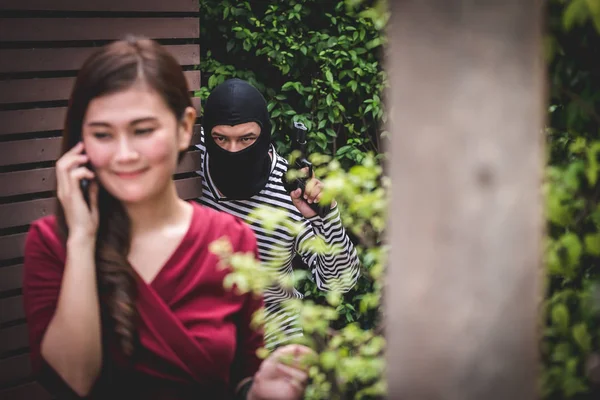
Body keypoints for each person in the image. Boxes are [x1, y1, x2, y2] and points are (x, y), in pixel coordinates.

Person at [22, 37, 312, 400]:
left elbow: (241, 375)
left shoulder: (232, 240)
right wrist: (81, 239)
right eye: (102, 134)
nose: (124, 154)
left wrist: (257, 392)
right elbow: (72, 380)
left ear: (183, 128)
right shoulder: (52, 243)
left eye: (143, 130)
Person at [195, 78, 361, 347]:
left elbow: (340, 283)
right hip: (204, 335)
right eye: (221, 138)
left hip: (272, 339)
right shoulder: (193, 158)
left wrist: (325, 217)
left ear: (264, 135)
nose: (232, 150)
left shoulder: (291, 194)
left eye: (246, 138)